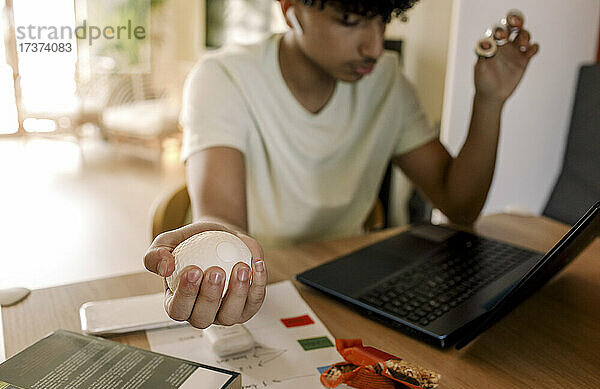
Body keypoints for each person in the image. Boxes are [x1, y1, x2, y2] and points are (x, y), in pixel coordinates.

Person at [144, 0, 539, 329]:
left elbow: (460, 205)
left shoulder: (387, 81)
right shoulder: (223, 77)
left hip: (344, 293)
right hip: (260, 295)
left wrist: (489, 101)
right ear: (290, 9)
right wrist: (221, 249)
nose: (373, 45)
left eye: (381, 19)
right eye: (349, 21)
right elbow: (223, 218)